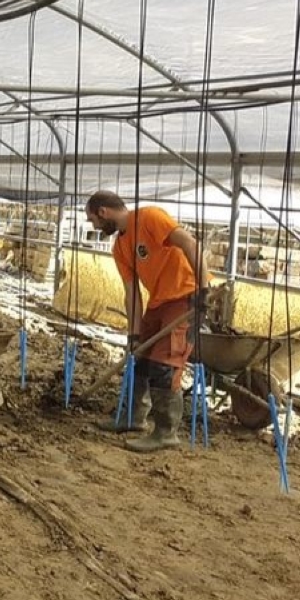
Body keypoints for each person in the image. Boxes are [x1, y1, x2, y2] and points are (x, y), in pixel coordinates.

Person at [87, 191, 209, 453]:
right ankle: (134, 417)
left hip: (185, 296)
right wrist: (134, 335)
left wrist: (204, 287)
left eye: (92, 220)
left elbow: (189, 243)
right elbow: (131, 293)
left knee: (165, 364)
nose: (94, 226)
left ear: (103, 212)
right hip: (159, 301)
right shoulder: (120, 247)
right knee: (139, 356)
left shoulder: (150, 217)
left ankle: (166, 432)